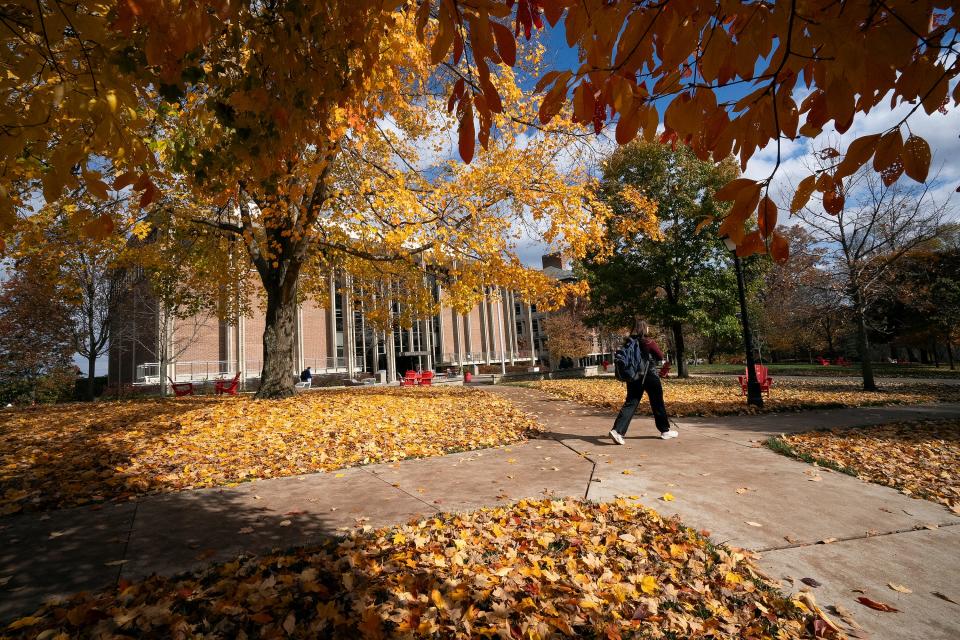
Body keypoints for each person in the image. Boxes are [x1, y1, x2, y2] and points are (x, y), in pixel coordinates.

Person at [609, 320, 677, 444]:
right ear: (645, 329)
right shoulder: (649, 342)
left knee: (631, 402)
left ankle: (617, 431)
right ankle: (665, 430)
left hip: (633, 376)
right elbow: (660, 356)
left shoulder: (628, 342)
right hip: (649, 375)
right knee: (657, 403)